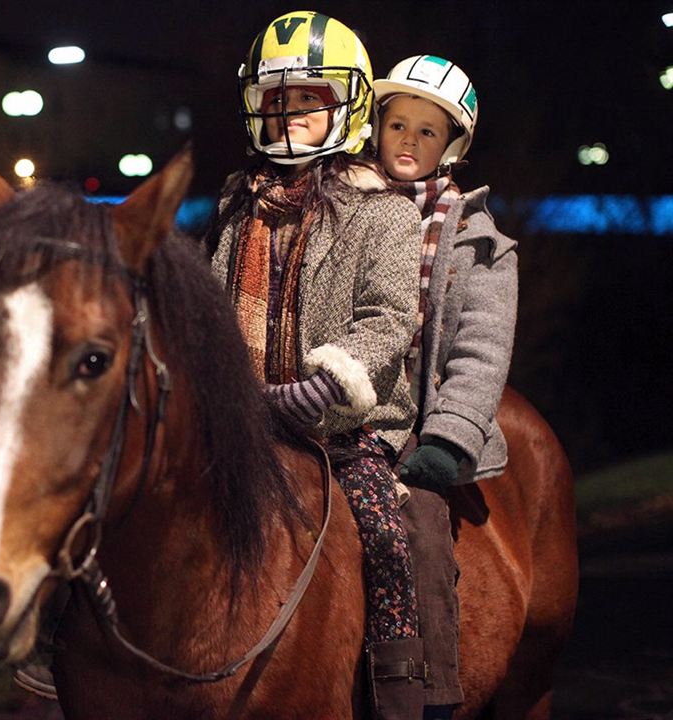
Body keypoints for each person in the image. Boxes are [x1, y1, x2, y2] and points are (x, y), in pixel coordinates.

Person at [205, 11, 426, 719]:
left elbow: (390, 316)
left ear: (347, 105)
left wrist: (328, 382)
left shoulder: (383, 212)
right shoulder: (237, 204)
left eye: (309, 100)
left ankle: (400, 679)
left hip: (342, 425)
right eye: (278, 102)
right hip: (245, 419)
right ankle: (63, 655)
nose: (291, 116)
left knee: (385, 533)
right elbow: (212, 309)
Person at [372, 55, 519, 717]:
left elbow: (481, 353)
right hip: (343, 414)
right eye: (397, 123)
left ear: (451, 145)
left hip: (416, 431)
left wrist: (448, 440)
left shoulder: (479, 245)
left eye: (427, 132)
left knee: (423, 529)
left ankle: (429, 691)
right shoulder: (353, 216)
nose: (408, 140)